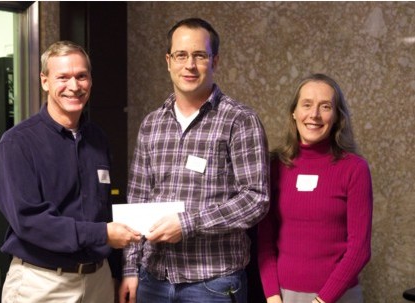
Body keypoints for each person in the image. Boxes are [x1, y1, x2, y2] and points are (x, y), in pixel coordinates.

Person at [119, 18, 270, 303]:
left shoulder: (240, 120)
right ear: (168, 61)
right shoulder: (151, 124)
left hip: (213, 283)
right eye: (181, 55)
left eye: (199, 55)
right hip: (153, 280)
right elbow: (137, 199)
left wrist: (188, 223)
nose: (189, 65)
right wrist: (130, 269)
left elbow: (255, 200)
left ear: (215, 61)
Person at [0, 40, 141, 302]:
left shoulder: (98, 138)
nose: (74, 86)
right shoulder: (17, 143)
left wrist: (117, 272)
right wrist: (103, 234)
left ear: (91, 81)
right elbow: (29, 221)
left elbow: (105, 209)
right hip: (43, 283)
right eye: (63, 77)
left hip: (99, 281)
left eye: (81, 76)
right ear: (45, 81)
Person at [257, 73, 373, 303]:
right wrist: (271, 296)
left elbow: (360, 249)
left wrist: (322, 300)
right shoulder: (273, 166)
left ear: (337, 117)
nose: (314, 115)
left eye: (325, 106)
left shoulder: (355, 169)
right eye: (307, 105)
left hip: (338, 297)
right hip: (281, 296)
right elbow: (264, 241)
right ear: (294, 112)